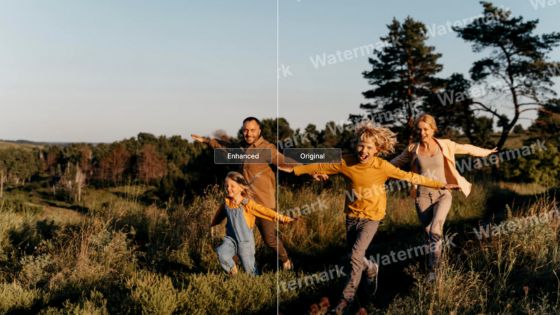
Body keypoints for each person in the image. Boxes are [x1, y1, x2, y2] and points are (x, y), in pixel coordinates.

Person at [280, 122, 458, 314]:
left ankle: (344, 301)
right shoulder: (346, 161)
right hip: (351, 216)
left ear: (377, 150)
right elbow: (322, 164)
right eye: (361, 145)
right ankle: (371, 268)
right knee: (353, 257)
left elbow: (410, 177)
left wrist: (440, 184)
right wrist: (296, 170)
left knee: (355, 256)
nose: (363, 150)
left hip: (372, 217)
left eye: (369, 147)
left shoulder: (383, 166)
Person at [192, 117, 323, 270]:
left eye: (252, 130)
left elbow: (286, 161)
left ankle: (286, 260)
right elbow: (223, 146)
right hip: (243, 204)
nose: (248, 133)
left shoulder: (267, 149)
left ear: (259, 131)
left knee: (269, 239)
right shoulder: (240, 148)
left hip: (263, 202)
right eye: (246, 130)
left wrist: (310, 171)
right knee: (237, 236)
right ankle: (240, 269)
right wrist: (206, 140)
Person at [391, 114, 497, 278]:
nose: (422, 133)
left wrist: (486, 152)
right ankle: (432, 264)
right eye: (419, 130)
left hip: (443, 194)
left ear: (433, 129)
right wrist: (374, 168)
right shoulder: (413, 149)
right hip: (422, 196)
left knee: (435, 230)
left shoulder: (444, 145)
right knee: (429, 234)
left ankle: (435, 272)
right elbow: (394, 164)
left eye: (426, 129)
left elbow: (466, 148)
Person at [210, 171, 294, 275]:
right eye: (226, 185)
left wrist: (282, 218)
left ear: (241, 187)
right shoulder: (227, 203)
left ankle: (256, 283)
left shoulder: (247, 204)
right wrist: (212, 223)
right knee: (221, 252)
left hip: (245, 243)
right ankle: (233, 271)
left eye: (232, 186)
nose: (228, 188)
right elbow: (219, 214)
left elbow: (265, 211)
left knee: (250, 271)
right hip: (230, 239)